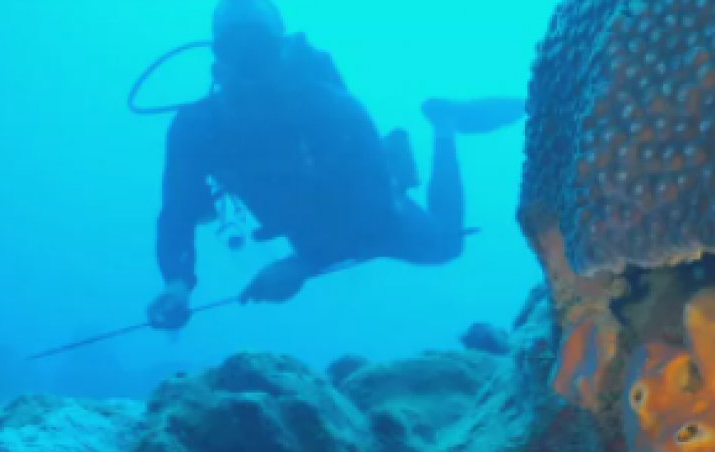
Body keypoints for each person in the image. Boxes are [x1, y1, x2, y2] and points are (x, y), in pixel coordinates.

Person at [147, 0, 525, 330]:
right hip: (305, 226)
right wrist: (176, 281)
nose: (249, 67)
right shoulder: (195, 127)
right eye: (237, 51)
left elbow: (375, 207)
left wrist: (302, 265)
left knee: (445, 246)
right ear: (218, 64)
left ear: (279, 55)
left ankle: (445, 124)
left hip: (371, 212)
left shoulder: (333, 106)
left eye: (258, 51)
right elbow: (178, 209)